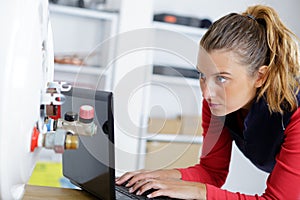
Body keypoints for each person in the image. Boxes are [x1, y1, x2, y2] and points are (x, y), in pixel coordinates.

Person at [116, 4, 300, 199]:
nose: (207, 92)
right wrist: (157, 178)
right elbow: (212, 172)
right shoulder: (217, 104)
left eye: (222, 78)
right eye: (202, 75)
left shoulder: (295, 113)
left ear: (260, 77)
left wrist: (197, 191)